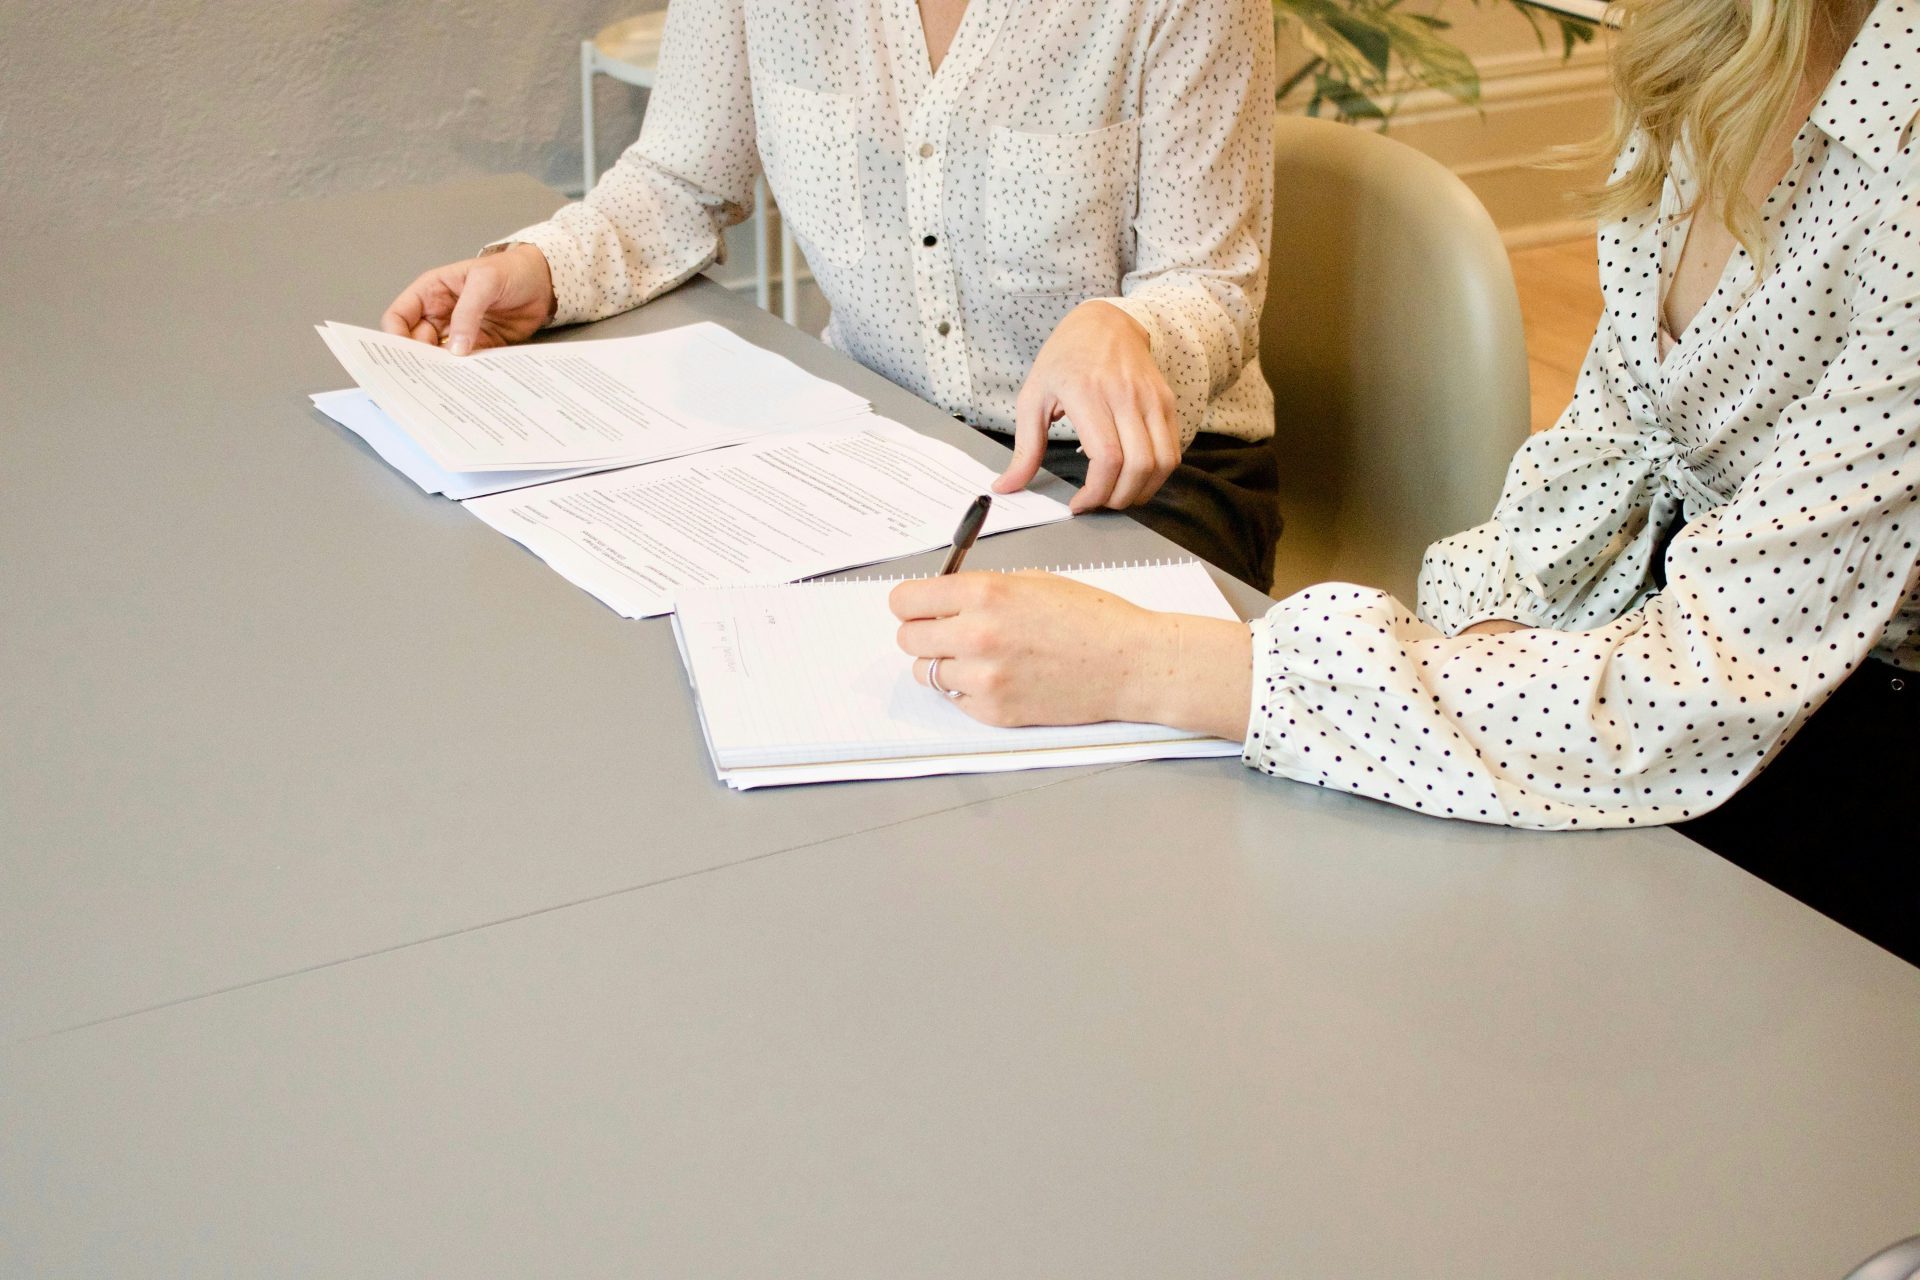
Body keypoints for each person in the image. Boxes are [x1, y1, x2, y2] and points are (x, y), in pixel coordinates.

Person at [891, 0, 1920, 962]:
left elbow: (1700, 687)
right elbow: (1608, 449)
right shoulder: (1708, 48)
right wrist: (1480, 644)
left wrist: (1152, 665)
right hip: (1666, 661)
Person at [381, 0, 1281, 588]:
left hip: (1140, 475)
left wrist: (1125, 328)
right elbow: (680, 178)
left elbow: (1211, 282)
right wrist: (541, 269)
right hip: (884, 445)